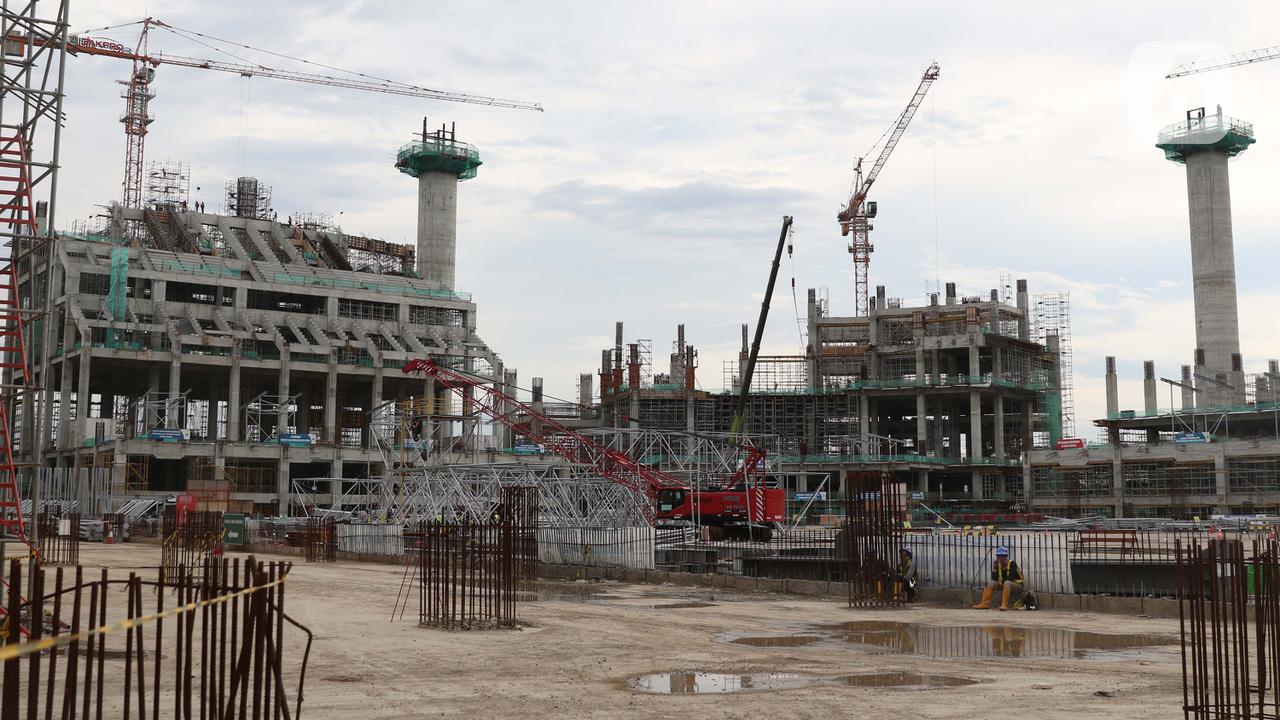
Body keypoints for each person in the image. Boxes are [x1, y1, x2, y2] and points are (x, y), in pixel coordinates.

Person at [972, 545, 1025, 611]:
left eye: (1003, 556)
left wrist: (1002, 582)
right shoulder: (997, 564)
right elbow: (994, 578)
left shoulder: (1012, 564)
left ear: (1006, 556)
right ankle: (985, 604)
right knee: (991, 583)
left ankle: (1004, 605)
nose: (1001, 558)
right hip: (1004, 584)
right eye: (999, 556)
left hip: (1017, 586)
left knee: (1007, 582)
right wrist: (994, 568)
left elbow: (1011, 577)